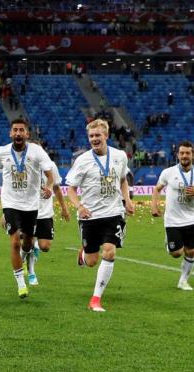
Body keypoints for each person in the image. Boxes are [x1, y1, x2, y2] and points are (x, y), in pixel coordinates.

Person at [65, 119, 135, 313]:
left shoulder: (120, 156)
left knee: (110, 252)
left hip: (113, 213)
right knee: (92, 261)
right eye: (91, 136)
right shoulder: (82, 160)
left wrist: (127, 200)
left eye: (97, 135)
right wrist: (79, 206)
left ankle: (95, 299)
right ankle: (83, 254)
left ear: (106, 135)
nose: (94, 139)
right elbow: (70, 188)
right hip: (89, 216)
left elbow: (122, 179)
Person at [0, 118, 57, 299]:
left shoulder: (37, 151)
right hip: (10, 203)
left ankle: (25, 259)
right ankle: (21, 284)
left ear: (27, 134)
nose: (18, 133)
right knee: (15, 241)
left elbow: (51, 175)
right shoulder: (2, 152)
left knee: (28, 243)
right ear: (10, 133)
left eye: (21, 130)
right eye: (15, 130)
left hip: (31, 205)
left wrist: (48, 187)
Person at [151, 141, 194, 291]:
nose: (184, 156)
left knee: (191, 251)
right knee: (176, 253)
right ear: (178, 155)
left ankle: (183, 280)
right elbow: (157, 189)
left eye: (188, 153)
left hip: (192, 219)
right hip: (172, 220)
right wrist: (154, 206)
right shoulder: (168, 172)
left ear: (193, 155)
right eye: (182, 153)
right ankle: (169, 242)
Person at [27, 176, 70, 286]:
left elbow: (56, 188)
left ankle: (35, 246)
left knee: (45, 246)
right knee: (28, 244)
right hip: (28, 211)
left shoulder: (51, 167)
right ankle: (31, 272)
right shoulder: (27, 164)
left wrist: (64, 208)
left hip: (45, 214)